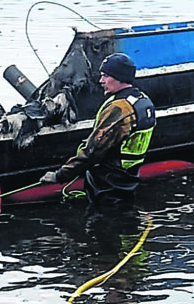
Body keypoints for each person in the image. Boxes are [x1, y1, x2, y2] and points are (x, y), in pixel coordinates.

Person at [40, 53, 156, 211]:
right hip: (128, 178)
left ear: (119, 77)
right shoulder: (142, 100)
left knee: (104, 221)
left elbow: (93, 151)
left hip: (108, 184)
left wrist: (60, 175)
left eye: (106, 76)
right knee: (123, 217)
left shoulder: (120, 109)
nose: (101, 81)